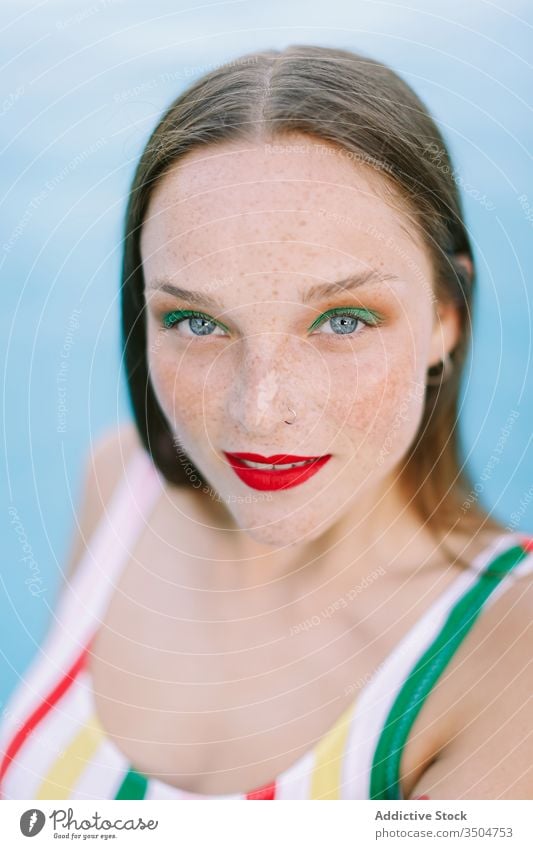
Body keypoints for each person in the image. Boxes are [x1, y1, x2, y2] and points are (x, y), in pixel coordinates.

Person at [1, 44, 531, 801]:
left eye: (342, 319)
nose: (259, 407)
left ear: (444, 315)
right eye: (194, 320)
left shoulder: (508, 654)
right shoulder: (118, 486)